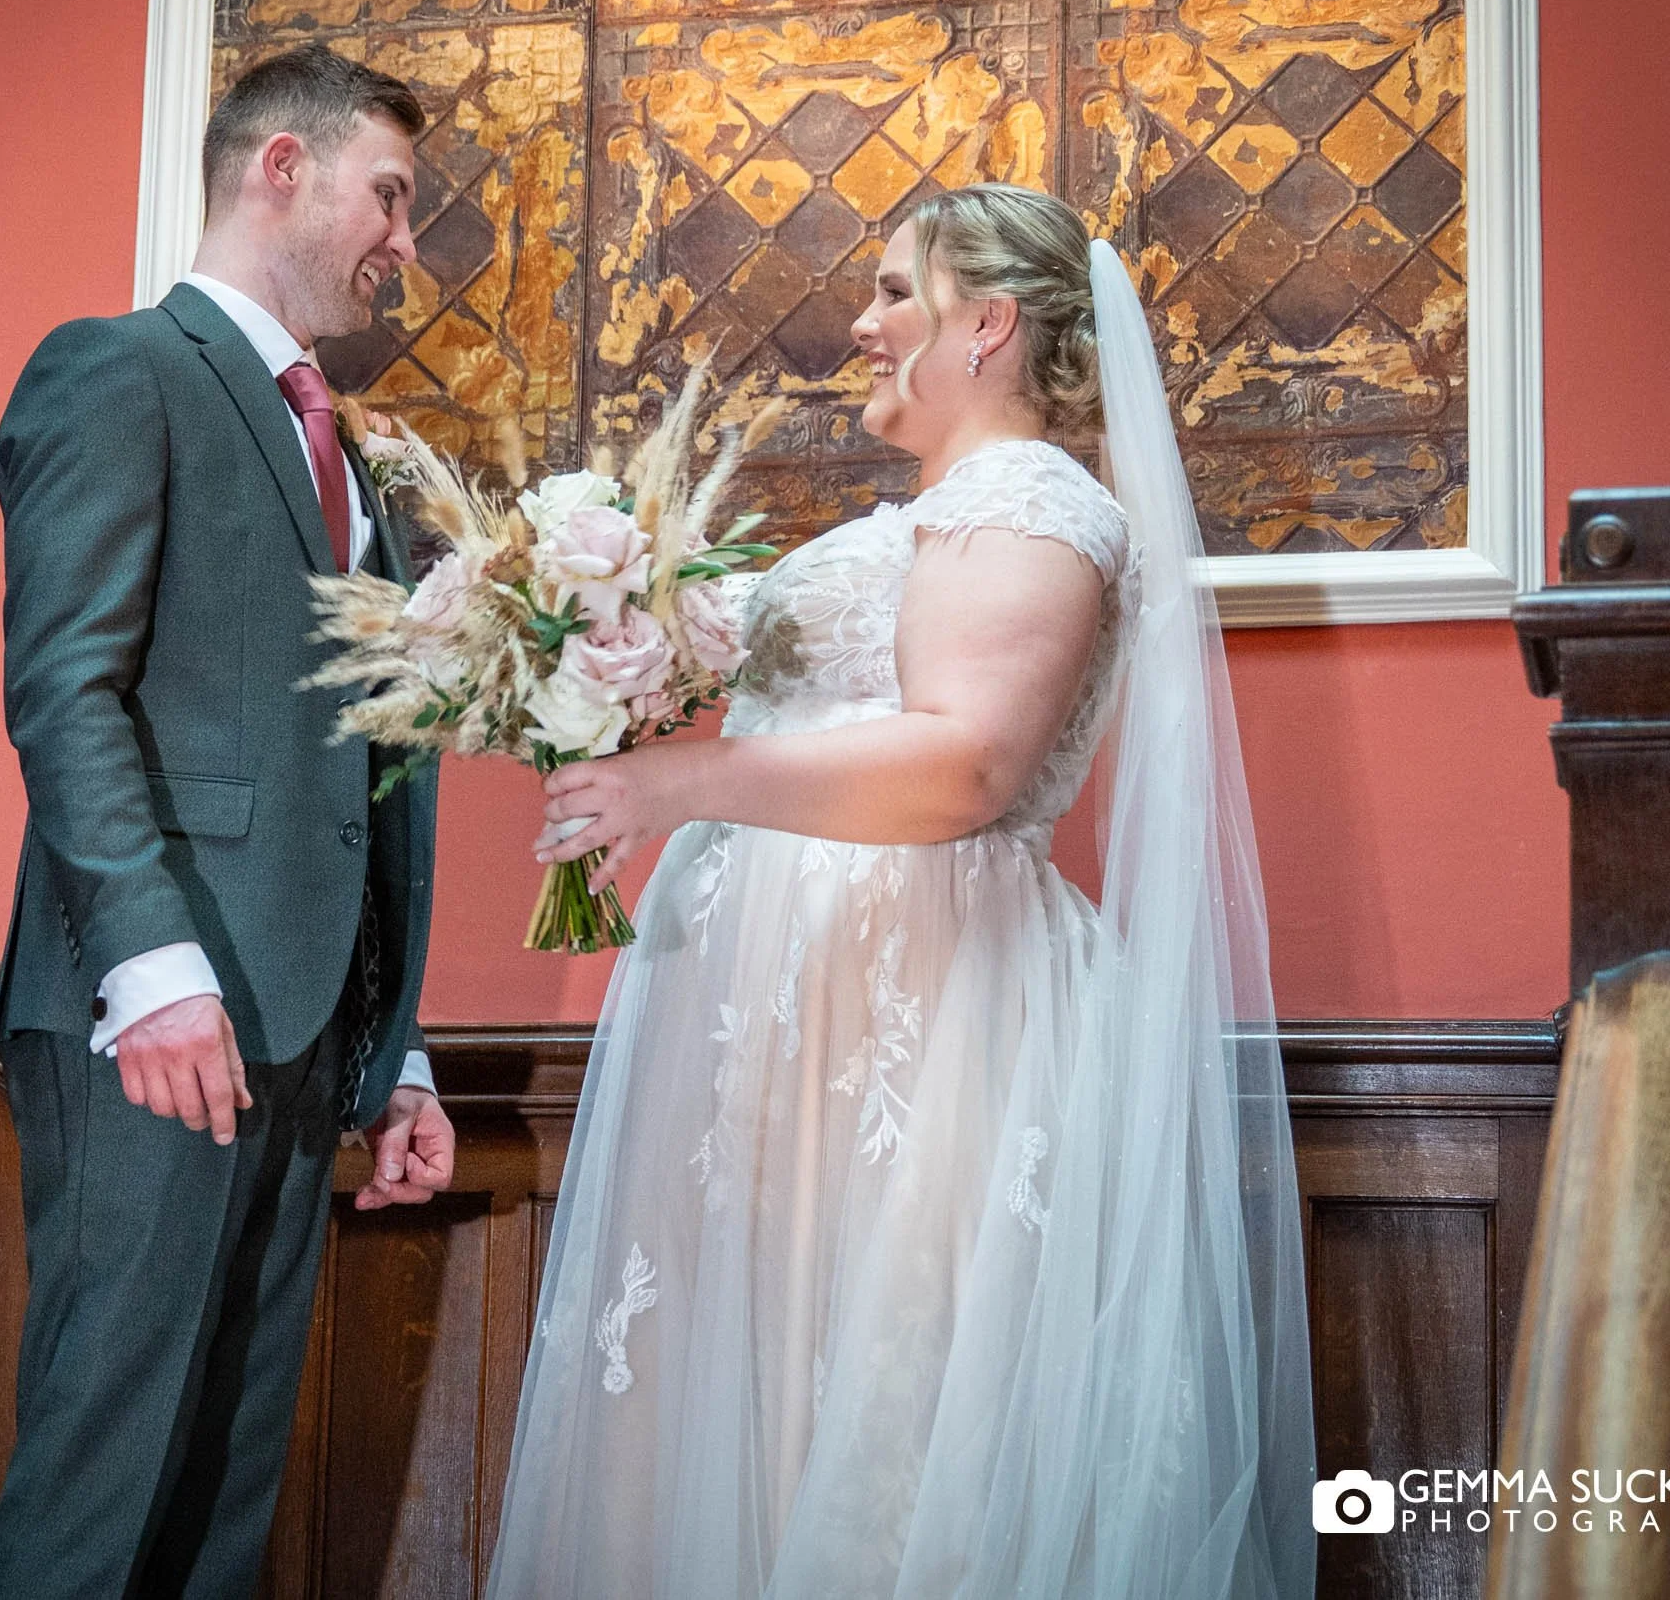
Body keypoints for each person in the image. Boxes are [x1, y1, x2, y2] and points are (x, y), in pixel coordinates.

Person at [487, 184, 1316, 1596]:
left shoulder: (1032, 503)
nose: (860, 324)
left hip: (922, 1024)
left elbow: (966, 765)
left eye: (889, 291)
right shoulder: (940, 513)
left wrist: (681, 782)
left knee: (893, 1423)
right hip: (791, 1029)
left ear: (986, 322)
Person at [0, 45, 457, 1598]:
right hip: (153, 1015)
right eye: (390, 194)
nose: (404, 242)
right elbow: (65, 689)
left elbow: (356, 770)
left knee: (217, 1509)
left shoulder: (351, 453)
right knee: (100, 1496)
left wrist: (395, 1046)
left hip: (303, 1033)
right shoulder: (117, 370)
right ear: (281, 169)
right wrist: (154, 969)